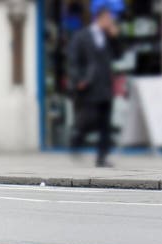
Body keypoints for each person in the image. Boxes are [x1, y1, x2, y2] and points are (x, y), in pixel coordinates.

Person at [67, 4, 122, 167]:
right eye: (108, 19)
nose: (110, 22)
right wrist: (79, 79)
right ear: (100, 18)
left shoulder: (108, 37)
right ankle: (76, 140)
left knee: (105, 123)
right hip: (89, 86)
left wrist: (114, 37)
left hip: (105, 85)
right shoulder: (82, 36)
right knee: (89, 119)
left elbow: (119, 55)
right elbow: (74, 60)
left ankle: (101, 157)